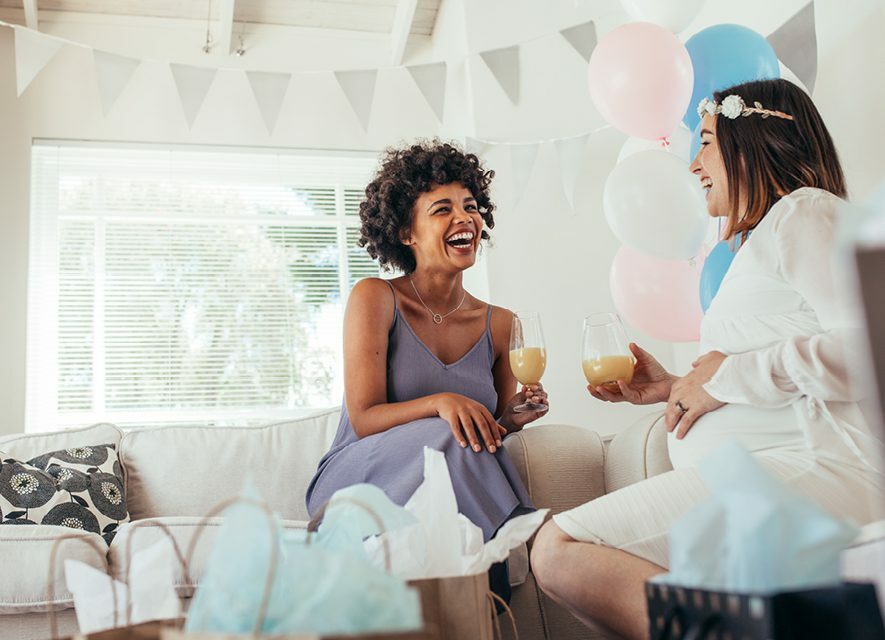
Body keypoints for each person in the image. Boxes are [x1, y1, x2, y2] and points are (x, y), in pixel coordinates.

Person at [530, 78, 885, 640]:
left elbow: (870, 347)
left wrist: (723, 379)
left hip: (821, 467)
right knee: (562, 552)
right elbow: (760, 364)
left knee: (560, 549)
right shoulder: (770, 234)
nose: (694, 164)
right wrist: (674, 386)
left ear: (753, 140)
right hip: (773, 473)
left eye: (707, 142)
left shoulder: (805, 212)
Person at [305, 140, 548, 595]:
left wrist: (508, 420)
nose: (465, 219)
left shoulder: (500, 324)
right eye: (442, 209)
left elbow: (481, 433)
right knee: (443, 436)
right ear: (405, 233)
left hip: (450, 487)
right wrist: (442, 402)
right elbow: (364, 417)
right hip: (362, 480)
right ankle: (523, 539)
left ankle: (475, 596)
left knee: (454, 442)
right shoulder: (375, 298)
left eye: (471, 206)